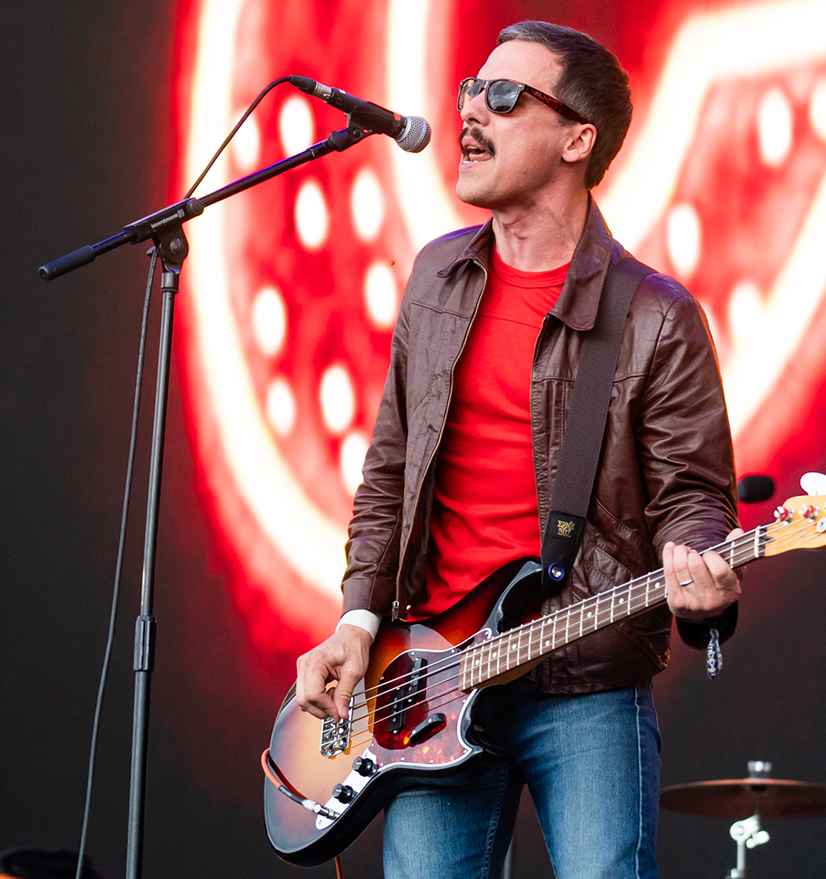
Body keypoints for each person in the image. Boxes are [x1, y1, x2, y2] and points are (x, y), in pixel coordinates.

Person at [293, 20, 742, 879]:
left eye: (505, 97)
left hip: (584, 682)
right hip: (426, 680)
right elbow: (388, 477)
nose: (471, 111)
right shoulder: (434, 279)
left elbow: (694, 494)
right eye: (471, 89)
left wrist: (702, 570)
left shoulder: (654, 313)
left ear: (579, 138)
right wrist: (357, 620)